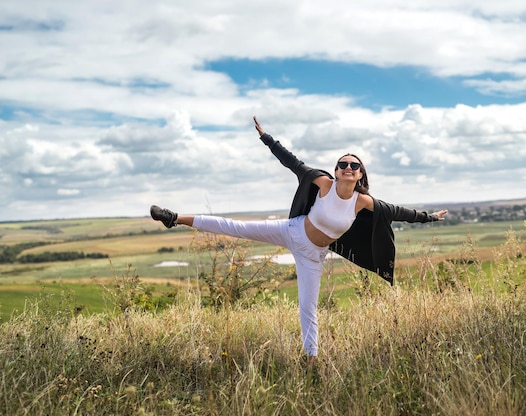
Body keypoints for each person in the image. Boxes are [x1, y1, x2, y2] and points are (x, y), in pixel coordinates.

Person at [150, 116, 447, 360]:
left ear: (360, 175)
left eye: (353, 166)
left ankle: (311, 360)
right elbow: (292, 162)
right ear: (336, 170)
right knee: (235, 226)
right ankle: (175, 218)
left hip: (312, 255)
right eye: (342, 164)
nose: (347, 168)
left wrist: (430, 217)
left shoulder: (363, 203)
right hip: (291, 230)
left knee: (308, 308)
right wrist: (267, 139)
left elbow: (399, 212)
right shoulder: (322, 183)